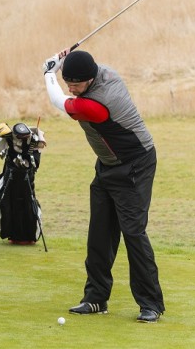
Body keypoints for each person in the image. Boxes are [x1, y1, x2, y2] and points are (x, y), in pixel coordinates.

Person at [42, 50, 165, 322]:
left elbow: (57, 99)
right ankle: (96, 299)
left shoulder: (96, 105)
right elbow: (76, 73)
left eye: (76, 85)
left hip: (135, 164)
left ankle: (151, 304)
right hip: (108, 165)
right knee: (99, 233)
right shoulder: (102, 71)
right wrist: (63, 60)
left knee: (133, 232)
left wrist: (48, 72)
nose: (72, 89)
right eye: (68, 83)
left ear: (91, 78)